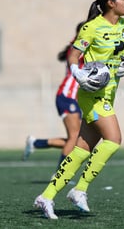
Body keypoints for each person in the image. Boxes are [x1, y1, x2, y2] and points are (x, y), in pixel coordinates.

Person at [33, 0, 124, 219]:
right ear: (111, 3)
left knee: (82, 149)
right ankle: (80, 189)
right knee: (114, 139)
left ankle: (46, 196)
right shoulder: (92, 27)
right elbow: (72, 56)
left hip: (109, 93)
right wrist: (78, 73)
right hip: (92, 95)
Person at [22, 23, 84, 169]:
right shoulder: (78, 46)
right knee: (75, 137)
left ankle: (35, 143)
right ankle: (59, 174)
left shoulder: (79, 45)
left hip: (72, 98)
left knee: (75, 139)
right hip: (67, 96)